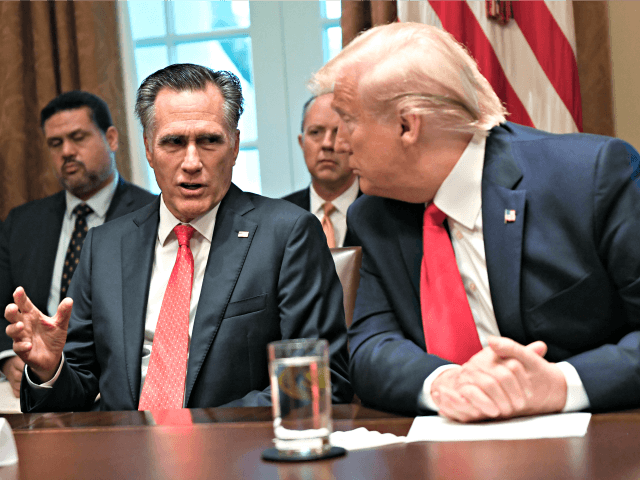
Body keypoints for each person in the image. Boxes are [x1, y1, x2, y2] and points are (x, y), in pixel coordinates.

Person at [311, 22, 640, 422]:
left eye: (348, 120)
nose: (339, 143)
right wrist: (446, 383)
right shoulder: (373, 214)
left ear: (407, 125)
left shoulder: (589, 178)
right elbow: (368, 346)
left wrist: (560, 385)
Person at [6, 64, 352, 412]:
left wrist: (196, 432)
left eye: (209, 141)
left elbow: (318, 379)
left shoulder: (287, 234)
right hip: (124, 454)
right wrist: (50, 369)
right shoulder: (105, 246)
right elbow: (78, 387)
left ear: (233, 145)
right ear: (149, 149)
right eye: (173, 142)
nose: (191, 162)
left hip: (234, 454)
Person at [0, 91, 155, 397]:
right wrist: (7, 359)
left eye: (78, 137)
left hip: (118, 382)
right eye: (55, 144)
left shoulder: (153, 215)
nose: (67, 151)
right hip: (33, 382)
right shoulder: (22, 222)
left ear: (111, 139)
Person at [283, 94, 360, 248]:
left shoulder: (386, 214)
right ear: (301, 143)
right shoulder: (279, 216)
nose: (327, 144)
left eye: (339, 132)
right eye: (316, 132)